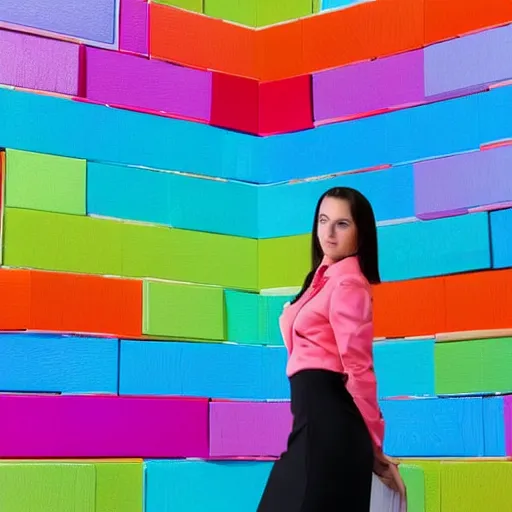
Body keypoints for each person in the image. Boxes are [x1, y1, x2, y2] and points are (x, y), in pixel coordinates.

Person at [257, 186, 406, 511]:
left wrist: (374, 446)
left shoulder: (348, 283)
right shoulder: (320, 279)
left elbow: (358, 367)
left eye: (342, 224)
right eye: (323, 220)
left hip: (331, 423)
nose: (329, 232)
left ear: (361, 233)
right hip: (311, 421)